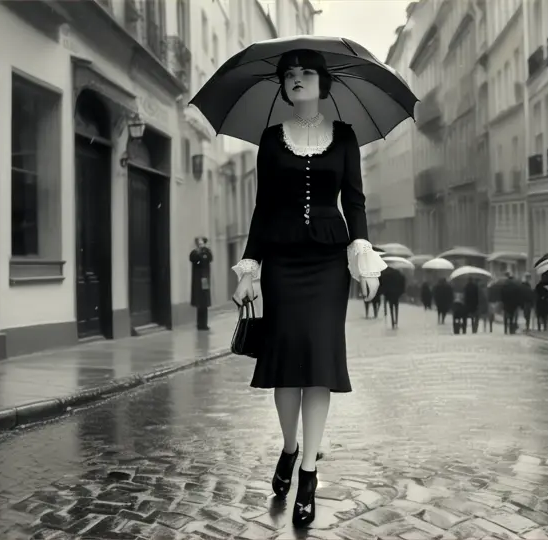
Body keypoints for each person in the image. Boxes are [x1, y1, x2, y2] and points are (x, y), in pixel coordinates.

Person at [231, 49, 385, 528]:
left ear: (323, 83)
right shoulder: (270, 139)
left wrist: (363, 257)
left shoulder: (345, 137)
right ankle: (290, 447)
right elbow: (262, 206)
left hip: (326, 261)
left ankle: (310, 472)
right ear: (283, 86)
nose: (297, 80)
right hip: (280, 261)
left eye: (306, 73)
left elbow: (355, 201)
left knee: (319, 362)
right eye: (290, 75)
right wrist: (250, 266)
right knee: (285, 365)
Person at [190, 237, 213, 331]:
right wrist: (200, 257)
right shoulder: (194, 253)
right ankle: (199, 324)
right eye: (199, 243)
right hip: (197, 280)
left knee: (204, 301)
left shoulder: (207, 252)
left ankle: (204, 323)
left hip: (205, 279)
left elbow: (207, 259)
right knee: (199, 302)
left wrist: (202, 256)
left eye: (202, 243)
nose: (200, 245)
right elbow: (195, 260)